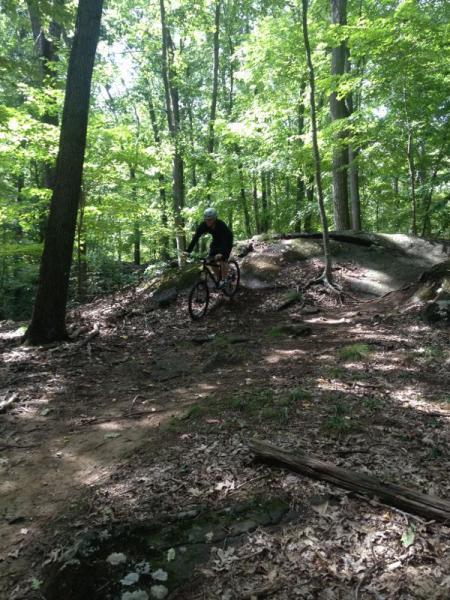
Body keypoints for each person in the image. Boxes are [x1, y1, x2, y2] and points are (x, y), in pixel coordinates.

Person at [186, 208, 233, 287]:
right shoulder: (203, 225)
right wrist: (188, 251)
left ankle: (224, 279)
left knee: (222, 259)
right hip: (216, 240)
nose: (208, 221)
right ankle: (219, 278)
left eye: (210, 220)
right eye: (206, 219)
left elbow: (226, 240)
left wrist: (222, 253)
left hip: (227, 240)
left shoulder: (221, 225)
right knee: (211, 260)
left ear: (215, 219)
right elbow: (195, 238)